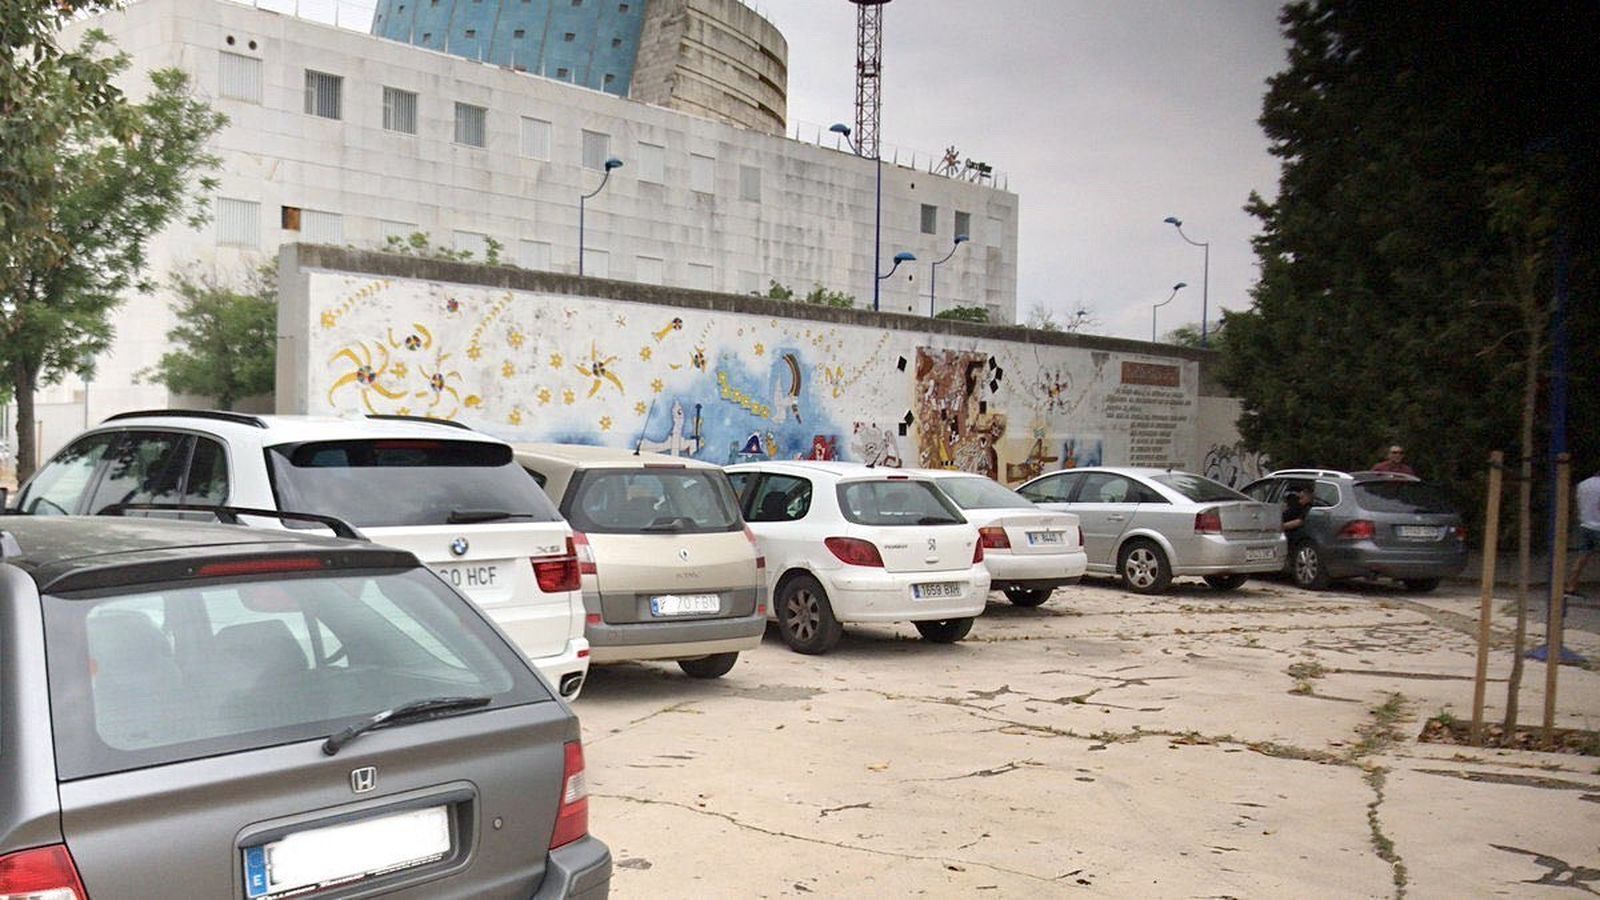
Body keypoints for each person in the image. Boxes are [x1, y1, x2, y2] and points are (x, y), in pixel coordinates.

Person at [1566, 469, 1600, 599]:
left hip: (1585, 525)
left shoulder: (1582, 485)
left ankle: (1570, 586)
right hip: (1598, 526)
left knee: (1582, 558)